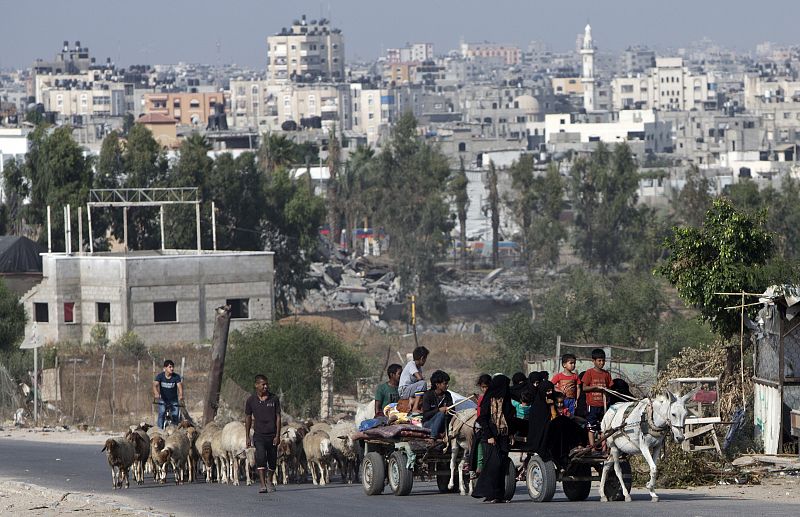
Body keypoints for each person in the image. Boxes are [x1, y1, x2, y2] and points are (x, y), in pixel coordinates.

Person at [472, 374, 514, 503]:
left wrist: (511, 433)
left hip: (503, 435)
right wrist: (489, 436)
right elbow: (482, 418)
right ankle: (487, 493)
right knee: (493, 464)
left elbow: (509, 418)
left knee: (502, 465)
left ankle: (499, 495)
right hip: (490, 436)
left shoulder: (506, 398)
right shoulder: (488, 399)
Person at [245, 374, 282, 493]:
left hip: (272, 435)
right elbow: (248, 418)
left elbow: (278, 418)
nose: (266, 386)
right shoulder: (251, 400)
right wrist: (247, 437)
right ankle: (262, 484)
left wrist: (277, 435)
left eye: (267, 384)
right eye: (263, 384)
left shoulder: (274, 399)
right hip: (259, 435)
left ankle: (269, 480)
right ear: (256, 385)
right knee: (260, 458)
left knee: (272, 460)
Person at [581, 348, 613, 447]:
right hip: (592, 404)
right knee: (591, 427)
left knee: (603, 427)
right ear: (593, 361)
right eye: (599, 360)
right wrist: (595, 387)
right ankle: (593, 447)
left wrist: (607, 395)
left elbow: (609, 388)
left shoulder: (606, 374)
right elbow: (584, 388)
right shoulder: (589, 373)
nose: (601, 362)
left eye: (603, 360)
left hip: (603, 405)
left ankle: (603, 449)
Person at [469, 374, 492, 478]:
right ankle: (476, 466)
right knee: (477, 443)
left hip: (491, 425)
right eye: (483, 387)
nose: (484, 389)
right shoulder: (481, 398)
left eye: (486, 387)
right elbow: (479, 415)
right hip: (482, 425)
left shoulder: (493, 397)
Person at [421, 370, 453, 438]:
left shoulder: (448, 395)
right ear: (437, 384)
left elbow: (452, 410)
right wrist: (439, 410)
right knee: (441, 414)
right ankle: (433, 437)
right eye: (445, 383)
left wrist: (449, 411)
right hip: (429, 423)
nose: (447, 386)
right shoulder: (428, 395)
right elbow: (426, 415)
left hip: (443, 423)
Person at [152, 360, 183, 429]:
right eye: (170, 367)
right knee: (162, 413)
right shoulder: (160, 376)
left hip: (173, 400)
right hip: (163, 399)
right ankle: (159, 430)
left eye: (173, 367)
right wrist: (156, 393)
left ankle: (175, 430)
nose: (172, 368)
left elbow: (179, 387)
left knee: (175, 415)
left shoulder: (176, 377)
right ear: (165, 368)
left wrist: (181, 395)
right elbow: (155, 385)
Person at [398, 346, 429, 415]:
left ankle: (413, 401)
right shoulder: (411, 364)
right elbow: (419, 379)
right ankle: (415, 408)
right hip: (404, 390)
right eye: (425, 359)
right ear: (422, 358)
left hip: (410, 390)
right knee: (423, 383)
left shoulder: (419, 367)